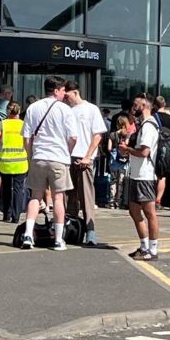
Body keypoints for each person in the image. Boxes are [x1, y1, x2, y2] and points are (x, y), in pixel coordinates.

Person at [18, 77, 75, 250]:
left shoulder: (33, 108)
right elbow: (73, 137)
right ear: (56, 90)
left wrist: (30, 156)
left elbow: (26, 137)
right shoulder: (65, 110)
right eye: (63, 90)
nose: (65, 94)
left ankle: (28, 234)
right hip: (59, 158)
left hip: (39, 157)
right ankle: (58, 239)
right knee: (58, 197)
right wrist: (67, 152)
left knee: (35, 196)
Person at [64, 82, 107, 247]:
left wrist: (88, 156)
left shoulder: (91, 109)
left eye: (68, 95)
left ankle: (91, 231)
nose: (66, 99)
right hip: (69, 157)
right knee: (69, 197)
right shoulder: (66, 110)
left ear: (75, 92)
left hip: (84, 157)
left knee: (87, 196)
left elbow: (97, 135)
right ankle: (71, 230)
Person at [121, 95, 162, 260]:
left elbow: (145, 152)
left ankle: (152, 249)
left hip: (144, 175)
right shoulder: (143, 125)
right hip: (136, 174)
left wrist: (128, 149)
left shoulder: (149, 126)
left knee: (149, 212)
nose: (133, 107)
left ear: (145, 105)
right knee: (134, 210)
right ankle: (144, 246)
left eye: (136, 104)